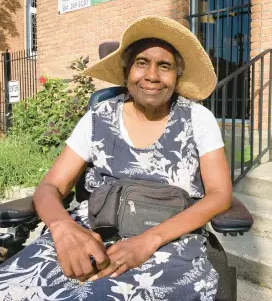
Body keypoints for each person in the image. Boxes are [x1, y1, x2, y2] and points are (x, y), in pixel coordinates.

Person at [0, 16, 233, 301]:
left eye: (165, 66)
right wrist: (63, 229)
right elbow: (50, 186)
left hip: (169, 239)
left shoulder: (197, 118)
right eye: (142, 63)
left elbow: (220, 195)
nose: (152, 75)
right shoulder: (99, 117)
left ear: (177, 77)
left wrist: (150, 240)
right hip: (90, 230)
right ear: (127, 72)